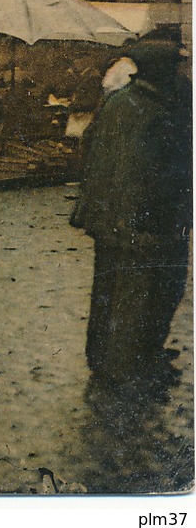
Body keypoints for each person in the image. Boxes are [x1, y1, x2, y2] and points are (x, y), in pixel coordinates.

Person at [72, 40, 192, 403]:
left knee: (120, 291)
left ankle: (113, 358)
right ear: (162, 69)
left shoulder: (131, 101)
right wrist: (133, 225)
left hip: (130, 217)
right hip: (141, 221)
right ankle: (128, 368)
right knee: (141, 294)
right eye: (178, 65)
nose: (183, 71)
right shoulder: (144, 108)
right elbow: (131, 171)